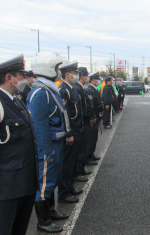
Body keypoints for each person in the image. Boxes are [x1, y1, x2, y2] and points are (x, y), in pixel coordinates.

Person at [0, 54, 38, 235]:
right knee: (0, 230)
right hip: (5, 186)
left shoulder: (16, 101)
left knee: (18, 229)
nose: (26, 79)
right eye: (22, 75)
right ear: (9, 78)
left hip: (24, 182)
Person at [27, 52, 70, 233]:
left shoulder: (48, 89)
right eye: (57, 68)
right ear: (49, 69)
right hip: (49, 145)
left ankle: (50, 211)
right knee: (44, 184)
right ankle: (43, 222)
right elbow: (40, 126)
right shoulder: (40, 92)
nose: (59, 71)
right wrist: (45, 151)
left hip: (56, 143)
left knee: (52, 181)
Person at [58, 61, 85, 204]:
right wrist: (68, 133)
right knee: (67, 163)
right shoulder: (63, 90)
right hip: (70, 132)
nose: (76, 75)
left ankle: (70, 186)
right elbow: (65, 114)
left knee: (73, 162)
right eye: (74, 73)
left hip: (76, 130)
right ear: (67, 74)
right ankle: (64, 192)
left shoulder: (71, 88)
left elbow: (77, 110)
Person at [73, 67, 93, 180]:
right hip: (82, 122)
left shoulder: (80, 88)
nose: (87, 78)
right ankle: (78, 171)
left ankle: (81, 169)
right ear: (82, 76)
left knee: (83, 147)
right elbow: (80, 108)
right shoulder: (77, 88)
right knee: (80, 150)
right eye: (86, 75)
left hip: (84, 121)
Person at [86, 72, 103, 164]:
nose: (99, 81)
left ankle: (91, 154)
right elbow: (91, 105)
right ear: (93, 80)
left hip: (96, 115)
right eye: (97, 79)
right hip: (93, 116)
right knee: (91, 138)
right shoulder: (90, 90)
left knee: (94, 138)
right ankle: (88, 157)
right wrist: (93, 116)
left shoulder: (94, 89)